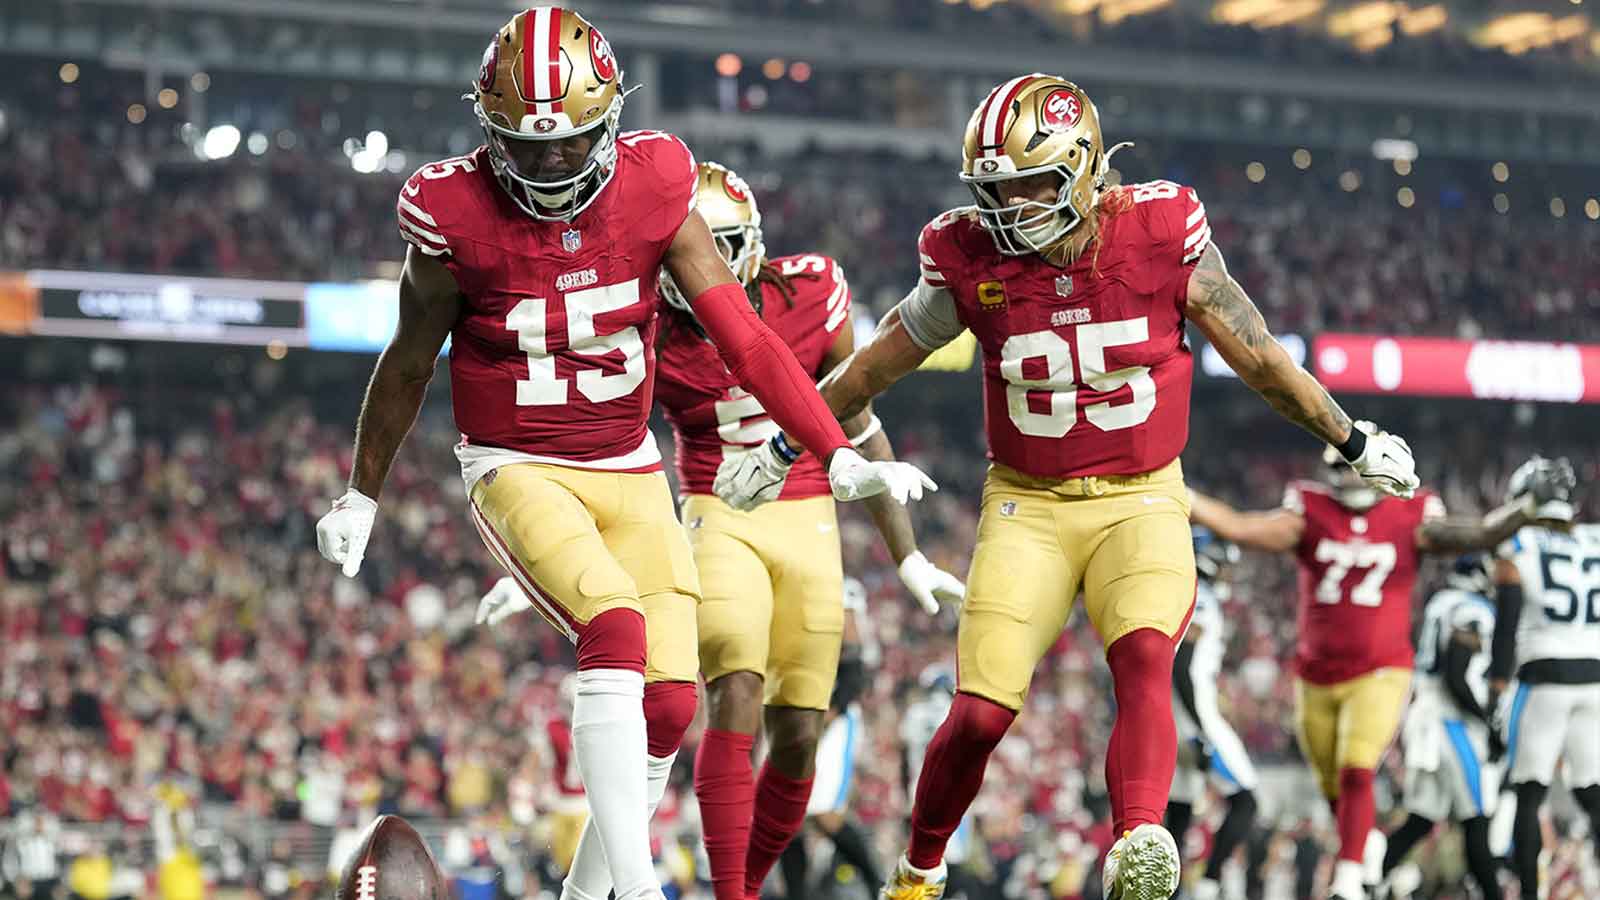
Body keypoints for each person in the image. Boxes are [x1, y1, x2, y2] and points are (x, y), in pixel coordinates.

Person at [715, 73, 1420, 900]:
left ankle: (1140, 843)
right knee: (980, 711)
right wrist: (784, 444)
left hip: (1144, 495)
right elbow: (872, 367)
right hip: (1029, 503)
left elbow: (1259, 355)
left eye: (1028, 185)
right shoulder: (966, 256)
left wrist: (1351, 437)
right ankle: (918, 870)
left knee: (1147, 657)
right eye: (996, 190)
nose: (1009, 208)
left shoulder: (1158, 231)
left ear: (1083, 167)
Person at [312, 10, 933, 900]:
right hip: (514, 460)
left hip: (628, 461)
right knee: (616, 628)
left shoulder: (655, 184)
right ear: (492, 135)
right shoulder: (452, 214)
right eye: (529, 148)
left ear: (609, 120)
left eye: (570, 143)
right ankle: (636, 896)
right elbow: (409, 361)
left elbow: (750, 343)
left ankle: (584, 895)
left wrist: (833, 452)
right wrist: (361, 494)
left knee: (675, 703)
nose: (553, 164)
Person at [480, 161, 964, 900]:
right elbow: (596, 455)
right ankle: (732, 894)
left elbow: (858, 418)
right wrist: (531, 563)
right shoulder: (647, 322)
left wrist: (908, 555)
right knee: (733, 692)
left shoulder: (810, 292)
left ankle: (751, 881)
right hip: (716, 512)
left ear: (754, 244)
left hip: (808, 516)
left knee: (800, 736)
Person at [1190, 452, 1569, 899]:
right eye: (1344, 464)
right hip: (1315, 675)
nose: (1350, 473)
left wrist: (1522, 511)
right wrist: (1183, 494)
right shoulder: (1311, 511)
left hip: (1381, 670)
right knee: (1337, 785)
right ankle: (1366, 851)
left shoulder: (1410, 514)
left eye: (1358, 463)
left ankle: (1349, 881)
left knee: (1358, 769)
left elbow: (1480, 532)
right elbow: (1240, 527)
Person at [1486, 457, 1598, 900]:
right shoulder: (1594, 539)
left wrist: (1497, 688)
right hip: (1594, 677)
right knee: (1592, 793)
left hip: (1544, 675)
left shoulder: (1519, 544)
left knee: (1528, 794)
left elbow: (1507, 626)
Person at [1379, 555, 1502, 900]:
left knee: (1421, 819)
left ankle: (1368, 880)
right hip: (1451, 722)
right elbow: (1457, 674)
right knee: (1477, 818)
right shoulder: (1471, 610)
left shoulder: (1439, 603)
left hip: (1426, 719)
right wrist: (1487, 722)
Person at [1164, 529, 1256, 900]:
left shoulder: (1184, 593)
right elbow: (1182, 667)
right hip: (1193, 720)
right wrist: (1200, 728)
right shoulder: (1199, 598)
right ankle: (1207, 886)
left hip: (1176, 719)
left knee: (1179, 812)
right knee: (1246, 800)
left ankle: (1167, 891)